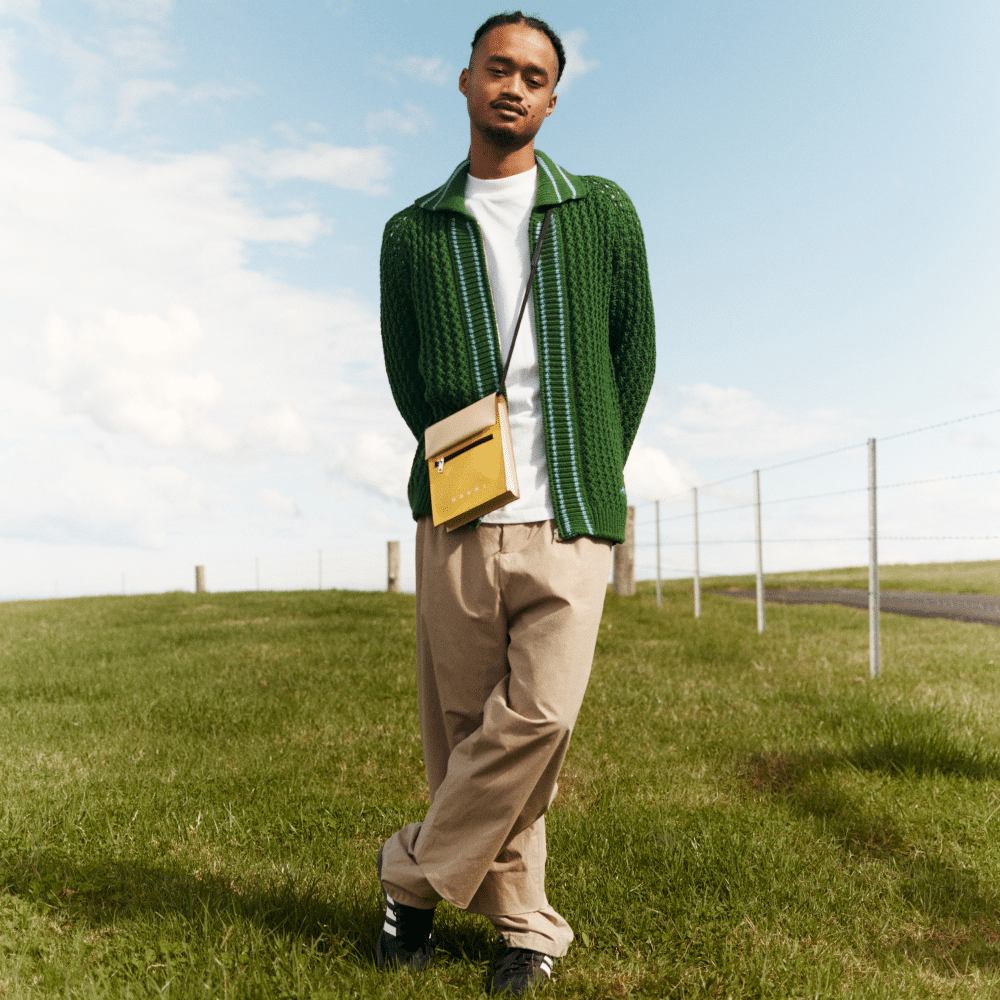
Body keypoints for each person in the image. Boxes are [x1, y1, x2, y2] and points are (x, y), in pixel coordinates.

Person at [376, 11, 655, 995]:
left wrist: (586, 465)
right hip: (457, 518)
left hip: (569, 514)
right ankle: (524, 928)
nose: (514, 87)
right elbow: (408, 377)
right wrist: (465, 460)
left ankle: (407, 880)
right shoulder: (412, 232)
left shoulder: (601, 212)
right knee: (466, 734)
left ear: (550, 97)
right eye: (499, 68)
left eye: (534, 76)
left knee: (534, 719)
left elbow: (635, 352)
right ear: (464, 81)